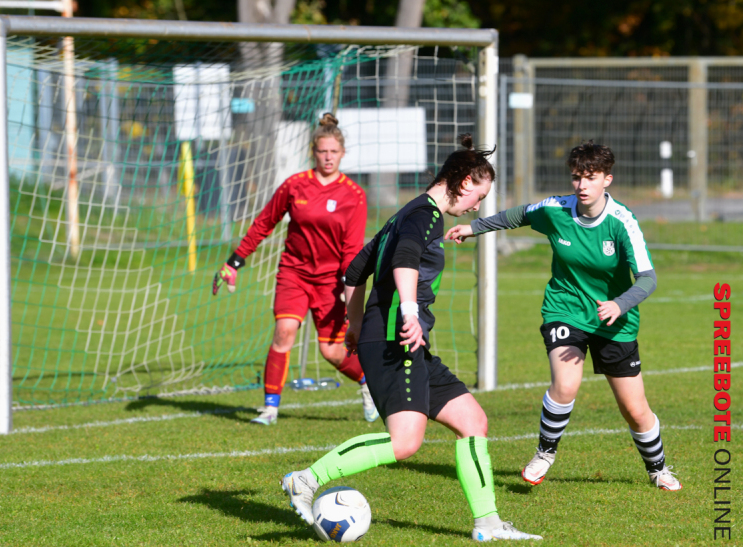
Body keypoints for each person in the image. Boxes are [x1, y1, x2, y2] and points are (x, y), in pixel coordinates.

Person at [280, 135, 542, 542]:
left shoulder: (405, 214)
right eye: (479, 195)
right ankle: (306, 479)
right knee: (404, 442)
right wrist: (408, 313)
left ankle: (488, 524)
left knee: (472, 420)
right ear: (463, 182)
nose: (477, 206)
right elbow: (404, 261)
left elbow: (355, 270)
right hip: (395, 337)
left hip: (399, 339)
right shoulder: (426, 215)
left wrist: (354, 325)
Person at [445, 140, 681, 492]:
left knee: (635, 409)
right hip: (565, 309)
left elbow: (648, 278)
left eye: (591, 177)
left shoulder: (622, 222)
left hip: (614, 322)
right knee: (566, 384)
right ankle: (544, 453)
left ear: (607, 180)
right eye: (576, 177)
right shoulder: (556, 209)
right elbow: (519, 215)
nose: (582, 185)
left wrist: (619, 304)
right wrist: (473, 227)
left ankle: (658, 469)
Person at [213, 113, 378, 426]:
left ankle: (368, 383)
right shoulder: (295, 185)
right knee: (284, 332)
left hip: (331, 282)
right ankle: (269, 409)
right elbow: (264, 223)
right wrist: (235, 261)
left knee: (332, 352)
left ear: (343, 153)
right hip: (294, 274)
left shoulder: (354, 195)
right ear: (312, 152)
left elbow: (352, 247)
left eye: (333, 151)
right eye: (322, 151)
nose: (327, 157)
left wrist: (349, 284)